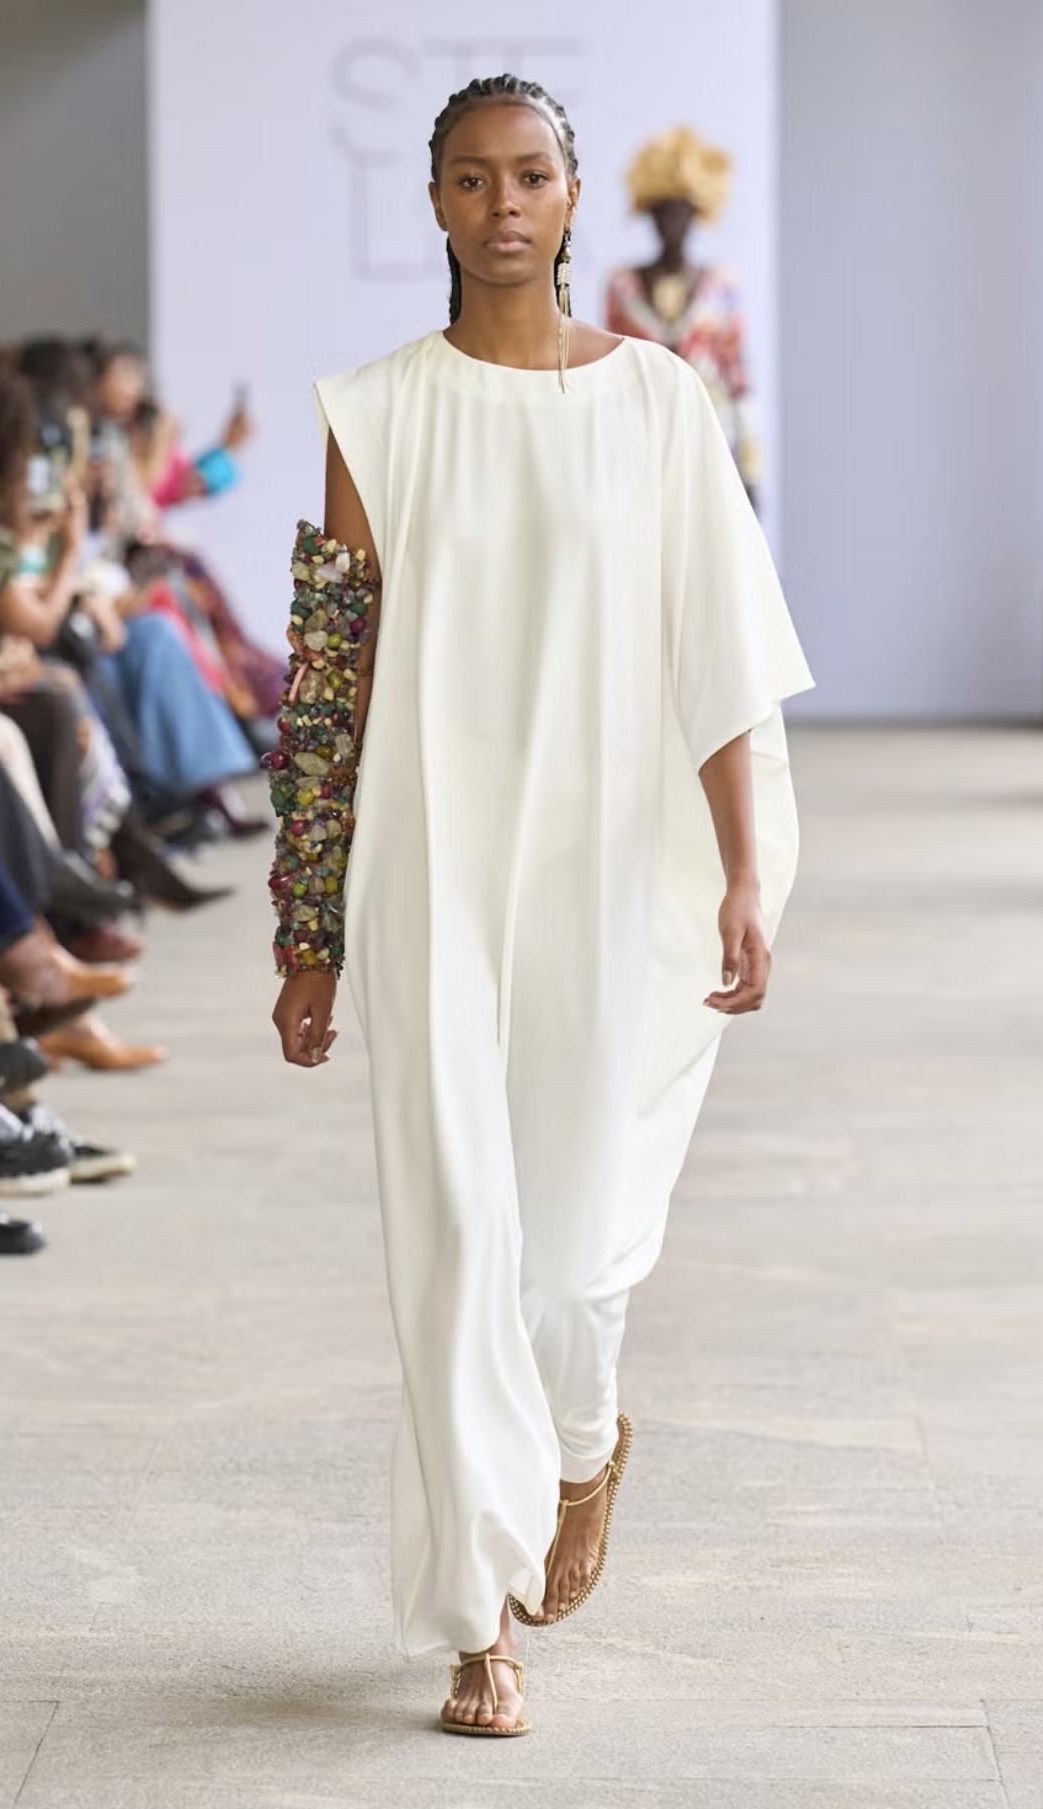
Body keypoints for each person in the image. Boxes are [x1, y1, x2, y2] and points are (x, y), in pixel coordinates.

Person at [268, 73, 812, 1738]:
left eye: (527, 175)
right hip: (427, 869)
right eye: (468, 178)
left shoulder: (658, 402)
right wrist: (308, 934)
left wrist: (742, 868)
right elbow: (330, 686)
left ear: (570, 196)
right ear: (433, 201)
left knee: (567, 1266)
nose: (500, 205)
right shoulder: (374, 411)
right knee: (455, 1245)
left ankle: (582, 1440)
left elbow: (717, 655)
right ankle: (478, 1617)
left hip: (601, 865)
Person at [604, 125, 761, 508]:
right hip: (642, 444)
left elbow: (738, 380)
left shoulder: (721, 288)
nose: (671, 222)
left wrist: (751, 471)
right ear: (649, 215)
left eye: (680, 211)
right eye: (662, 211)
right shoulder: (623, 288)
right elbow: (610, 378)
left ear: (696, 215)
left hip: (712, 443)